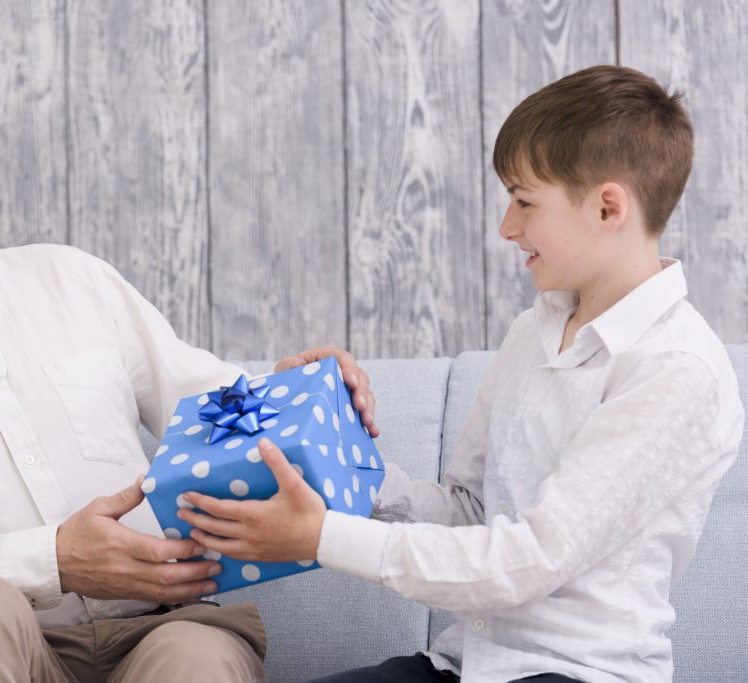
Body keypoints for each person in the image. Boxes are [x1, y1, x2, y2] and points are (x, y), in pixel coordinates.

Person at [0, 83, 378, 683]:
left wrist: (291, 396)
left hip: (167, 628)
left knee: (197, 660)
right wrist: (53, 561)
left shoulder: (71, 282)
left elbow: (213, 410)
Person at [180, 65, 745, 682]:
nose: (508, 227)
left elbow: (530, 559)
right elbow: (470, 513)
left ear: (609, 206)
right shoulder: (534, 330)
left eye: (525, 201)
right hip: (461, 665)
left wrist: (320, 538)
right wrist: (338, 452)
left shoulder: (676, 371)